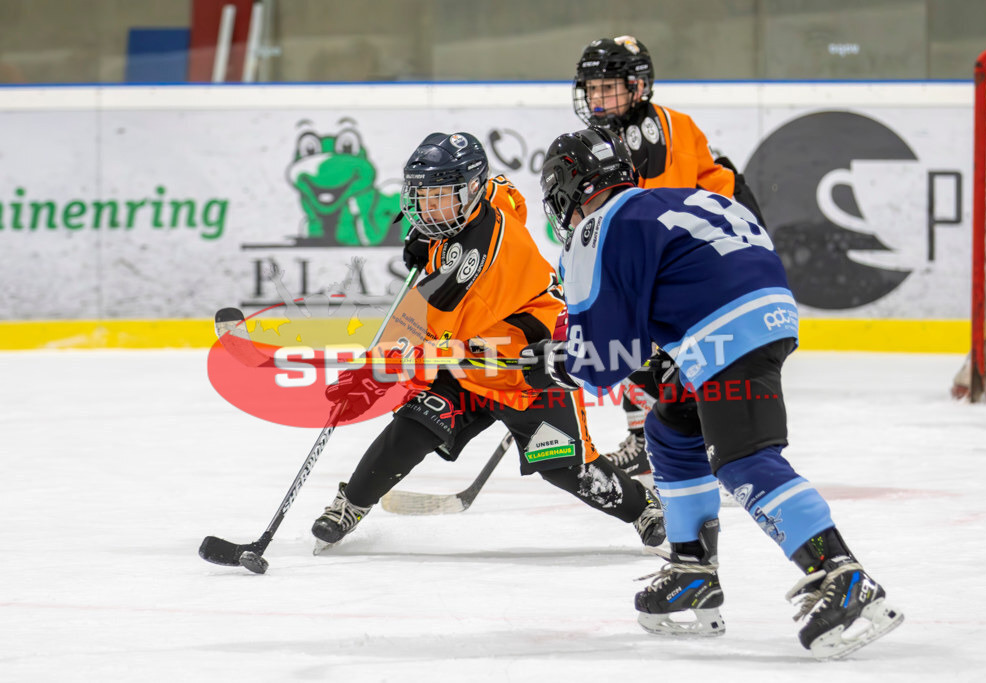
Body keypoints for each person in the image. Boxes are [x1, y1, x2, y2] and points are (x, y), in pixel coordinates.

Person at [522, 126, 903, 660]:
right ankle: (691, 569)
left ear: (565, 191)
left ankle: (841, 574)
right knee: (673, 423)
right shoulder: (672, 199)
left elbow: (604, 361)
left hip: (724, 334)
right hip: (761, 318)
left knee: (744, 459)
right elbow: (655, 329)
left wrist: (554, 364)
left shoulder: (598, 227)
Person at [310, 131, 665, 553]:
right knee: (416, 425)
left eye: (439, 197)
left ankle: (644, 506)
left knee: (568, 470)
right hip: (472, 362)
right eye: (423, 196)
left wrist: (374, 374)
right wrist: (428, 238)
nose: (427, 208)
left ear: (469, 192)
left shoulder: (474, 270)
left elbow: (425, 339)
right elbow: (507, 193)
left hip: (530, 367)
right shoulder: (483, 200)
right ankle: (350, 504)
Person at [571, 35, 766, 483]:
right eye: (592, 88)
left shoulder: (658, 133)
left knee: (660, 350)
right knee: (637, 347)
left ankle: (714, 443)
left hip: (705, 258)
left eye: (608, 87)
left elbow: (658, 211)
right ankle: (647, 442)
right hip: (694, 254)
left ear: (637, 87)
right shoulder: (616, 133)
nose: (597, 97)